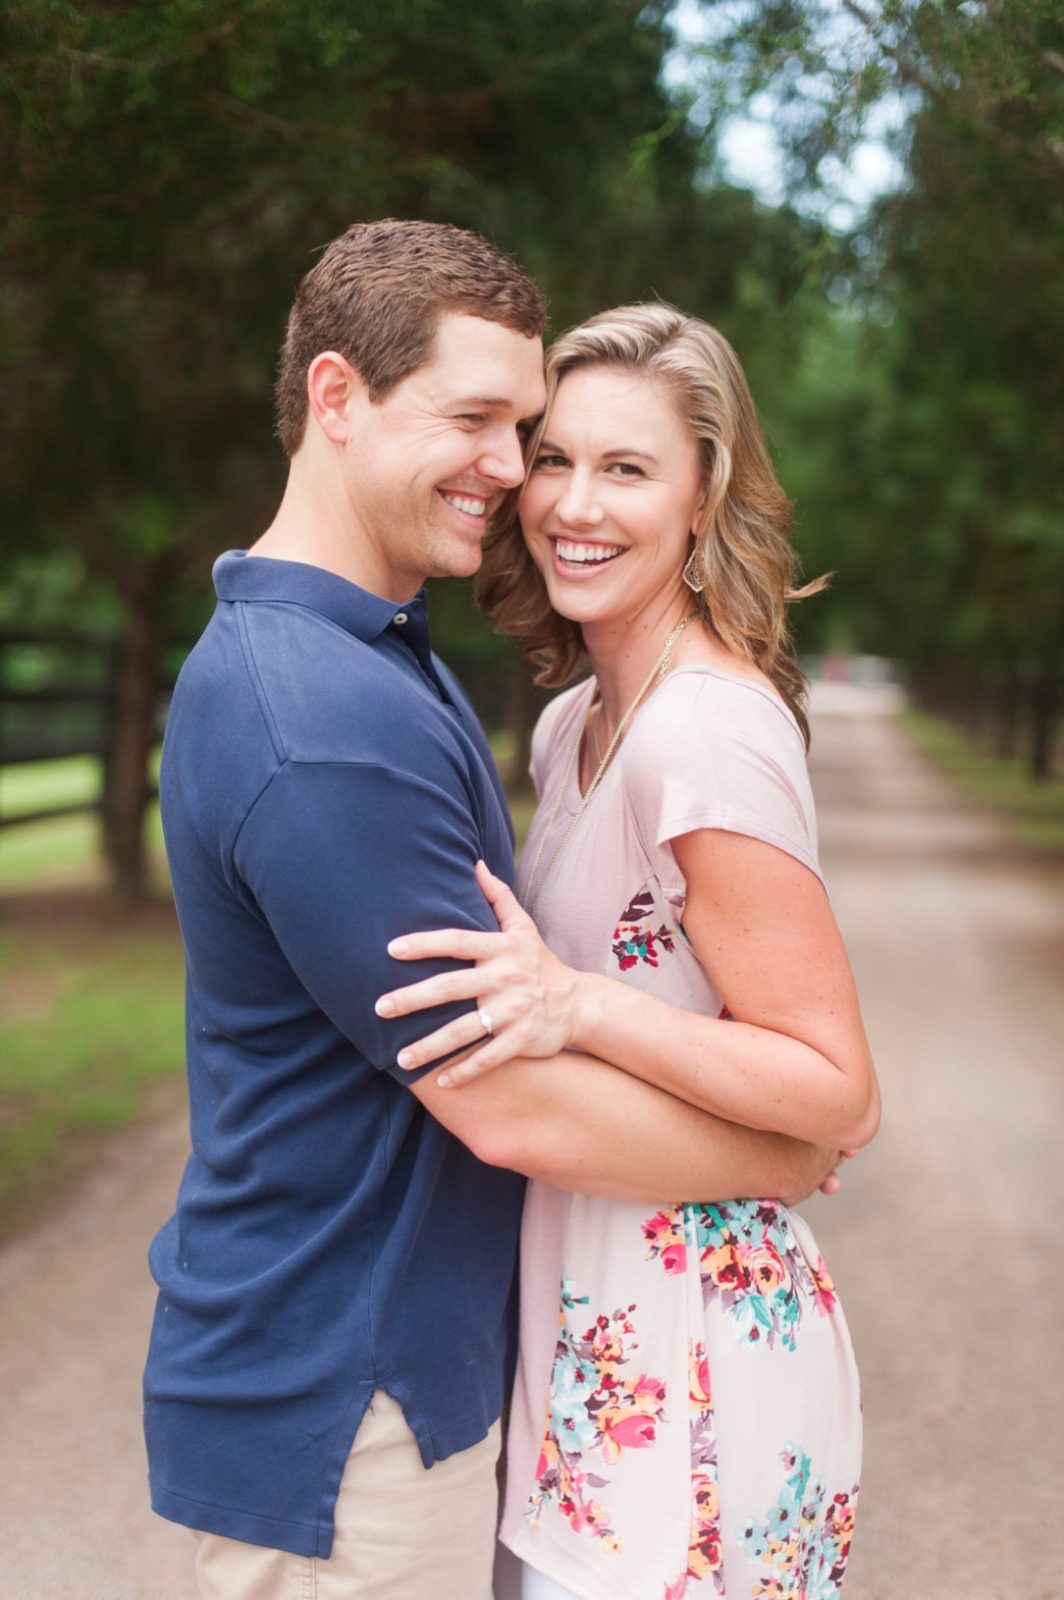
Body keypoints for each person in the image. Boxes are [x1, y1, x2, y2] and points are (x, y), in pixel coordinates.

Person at [144, 224, 846, 1600]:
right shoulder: (323, 717)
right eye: (481, 419)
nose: (518, 472)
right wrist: (773, 1156)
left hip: (457, 1373)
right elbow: (508, 1102)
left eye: (525, 426)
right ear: (337, 399)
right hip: (346, 1388)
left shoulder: (379, 663)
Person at [376, 302, 880, 1599]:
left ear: (705, 500)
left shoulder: (702, 736)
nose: (574, 503)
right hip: (587, 1346)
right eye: (555, 458)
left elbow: (837, 1092)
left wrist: (576, 1009)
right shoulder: (571, 728)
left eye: (629, 468)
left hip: (700, 1361)